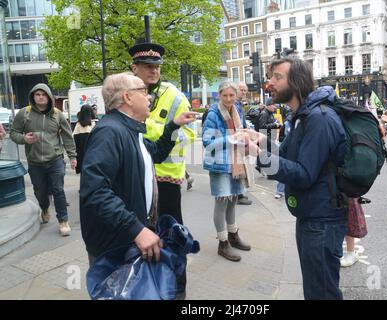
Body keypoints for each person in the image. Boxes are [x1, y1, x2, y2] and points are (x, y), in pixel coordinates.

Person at [80, 73, 196, 268]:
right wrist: (136, 230)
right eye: (143, 91)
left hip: (126, 239)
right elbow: (95, 192)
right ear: (127, 97)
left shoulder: (131, 130)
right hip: (114, 246)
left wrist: (174, 125)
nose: (149, 97)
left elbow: (157, 153)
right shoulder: (110, 132)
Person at [258, 57, 347, 300]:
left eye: (277, 77)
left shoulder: (319, 118)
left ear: (296, 82)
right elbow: (284, 156)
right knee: (315, 288)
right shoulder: (302, 116)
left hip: (323, 220)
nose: (270, 83)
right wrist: (260, 143)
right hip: (310, 216)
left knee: (322, 293)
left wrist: (260, 157)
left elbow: (304, 174)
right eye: (271, 77)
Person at [129, 39, 196, 299]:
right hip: (138, 179)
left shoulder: (175, 95)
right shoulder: (127, 93)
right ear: (134, 68)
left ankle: (178, 290)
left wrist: (152, 133)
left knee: (172, 235)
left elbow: (188, 134)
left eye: (156, 65)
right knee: (143, 237)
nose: (153, 70)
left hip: (167, 180)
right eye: (146, 65)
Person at [10, 84, 77, 236]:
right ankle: (45, 208)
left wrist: (73, 156)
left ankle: (63, 220)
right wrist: (24, 139)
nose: (40, 97)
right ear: (33, 97)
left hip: (55, 159)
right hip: (35, 162)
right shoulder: (24, 113)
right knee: (40, 191)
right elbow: (14, 133)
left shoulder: (57, 114)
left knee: (58, 190)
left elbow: (67, 136)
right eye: (37, 94)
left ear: (48, 97)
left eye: (43, 94)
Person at [202, 81, 258, 262]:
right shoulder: (213, 113)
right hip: (220, 165)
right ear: (219, 95)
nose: (228, 99)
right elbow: (207, 143)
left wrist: (246, 134)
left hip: (236, 162)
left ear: (236, 96)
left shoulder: (237, 110)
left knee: (233, 200)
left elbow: (239, 131)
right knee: (222, 203)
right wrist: (231, 138)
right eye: (224, 95)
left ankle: (233, 235)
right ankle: (223, 242)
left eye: (231, 95)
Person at [236, 82, 253, 205]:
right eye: (241, 90)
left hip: (241, 139)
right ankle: (238, 194)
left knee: (242, 167)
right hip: (237, 140)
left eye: (245, 90)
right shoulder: (235, 105)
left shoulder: (239, 105)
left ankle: (240, 193)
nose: (243, 92)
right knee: (239, 167)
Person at [73, 104, 95, 174]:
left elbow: (74, 141)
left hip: (81, 157)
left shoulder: (78, 125)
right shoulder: (95, 123)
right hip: (94, 156)